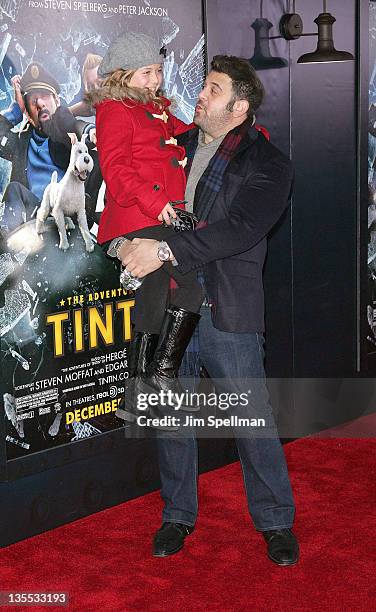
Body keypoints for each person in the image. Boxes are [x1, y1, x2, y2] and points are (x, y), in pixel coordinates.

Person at [120, 55, 299, 565]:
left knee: (251, 420)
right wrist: (129, 243)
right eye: (203, 86)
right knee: (170, 415)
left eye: (213, 90)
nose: (200, 95)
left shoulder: (269, 164)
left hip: (226, 308)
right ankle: (177, 515)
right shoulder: (171, 145)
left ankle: (276, 520)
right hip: (169, 301)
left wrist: (163, 249)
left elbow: (240, 228)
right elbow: (134, 197)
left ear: (239, 107)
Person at [92, 32, 203, 417]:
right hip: (138, 215)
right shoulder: (114, 110)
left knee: (155, 294)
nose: (155, 80)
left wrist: (240, 136)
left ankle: (140, 388)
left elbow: (189, 135)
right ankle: (162, 374)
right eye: (146, 73)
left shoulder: (155, 110)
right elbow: (116, 170)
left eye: (157, 71)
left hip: (158, 215)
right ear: (122, 75)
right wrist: (158, 204)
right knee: (189, 285)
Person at [0, 62, 99, 237]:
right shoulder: (21, 143)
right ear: (28, 113)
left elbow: (75, 126)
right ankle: (5, 250)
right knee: (14, 189)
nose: (39, 103)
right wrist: (16, 110)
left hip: (68, 216)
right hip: (31, 223)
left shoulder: (66, 133)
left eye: (45, 96)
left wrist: (90, 131)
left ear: (57, 101)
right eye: (32, 100)